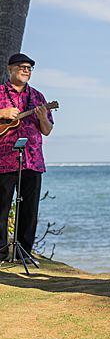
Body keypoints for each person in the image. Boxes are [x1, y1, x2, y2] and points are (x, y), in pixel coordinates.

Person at [0, 52, 54, 260]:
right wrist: (3, 113)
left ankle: (24, 253)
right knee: (1, 207)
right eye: (21, 67)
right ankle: (1, 253)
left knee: (29, 210)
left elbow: (47, 130)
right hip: (4, 160)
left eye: (29, 68)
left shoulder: (38, 97)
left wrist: (42, 118)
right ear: (9, 69)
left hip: (32, 160)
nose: (26, 70)